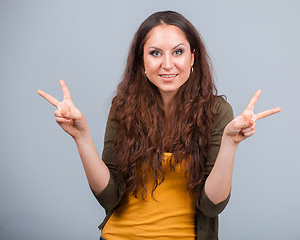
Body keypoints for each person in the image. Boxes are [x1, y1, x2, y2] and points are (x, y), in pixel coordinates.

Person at [37, 10, 280, 240]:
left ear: (192, 57)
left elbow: (212, 205)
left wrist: (230, 143)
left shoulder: (216, 112)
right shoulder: (123, 108)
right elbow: (110, 197)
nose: (167, 64)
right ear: (142, 61)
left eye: (178, 52)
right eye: (155, 53)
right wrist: (81, 137)